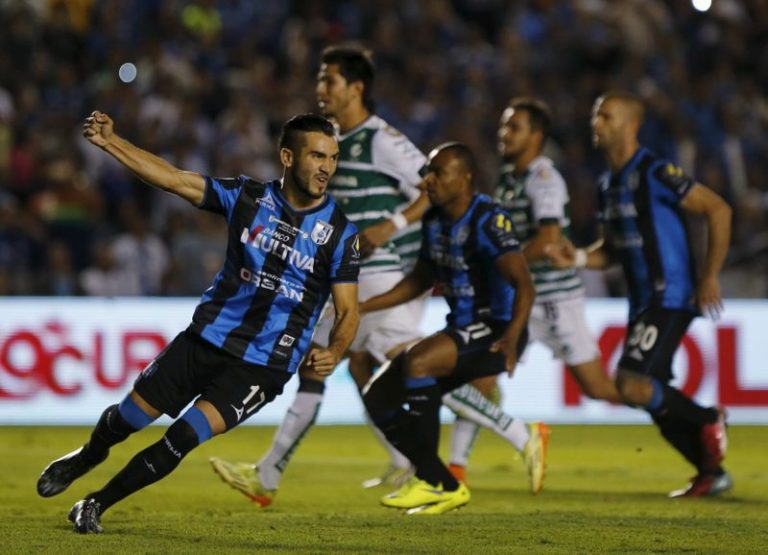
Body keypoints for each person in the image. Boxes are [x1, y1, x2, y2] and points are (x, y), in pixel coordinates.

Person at [209, 45, 518, 503]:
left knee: (394, 361)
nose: (320, 89)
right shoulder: (332, 139)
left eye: (328, 80)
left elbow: (435, 186)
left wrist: (391, 227)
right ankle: (281, 474)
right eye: (319, 80)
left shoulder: (383, 139)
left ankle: (513, 432)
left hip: (385, 268)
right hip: (349, 269)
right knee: (346, 366)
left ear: (357, 88)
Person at [35, 111, 360, 533]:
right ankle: (88, 455)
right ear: (286, 156)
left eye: (332, 158)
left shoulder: (339, 233)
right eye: (317, 156)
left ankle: (95, 503)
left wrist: (334, 351)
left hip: (264, 365)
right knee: (129, 418)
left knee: (183, 438)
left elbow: (350, 310)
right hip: (206, 339)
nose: (326, 168)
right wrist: (111, 142)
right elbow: (173, 179)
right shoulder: (247, 198)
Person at [546, 91, 732, 498]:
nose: (597, 124)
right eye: (596, 117)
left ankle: (708, 417)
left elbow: (717, 208)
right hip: (642, 302)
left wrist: (710, 276)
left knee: (631, 384)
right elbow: (610, 251)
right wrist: (574, 255)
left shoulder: (655, 170)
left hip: (672, 294)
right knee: (648, 396)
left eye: (606, 117)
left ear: (631, 125)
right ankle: (710, 472)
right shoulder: (608, 184)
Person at [443, 97, 622, 481]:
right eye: (504, 125)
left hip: (555, 299)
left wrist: (497, 266)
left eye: (514, 127)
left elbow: (547, 241)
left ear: (537, 136)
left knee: (598, 388)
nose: (503, 133)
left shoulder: (545, 180)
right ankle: (455, 468)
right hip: (518, 302)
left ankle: (683, 413)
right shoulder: (509, 178)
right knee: (478, 381)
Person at [359, 142, 538, 515]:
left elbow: (524, 283)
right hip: (462, 328)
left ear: (465, 179)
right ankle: (443, 483)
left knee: (419, 361)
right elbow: (419, 280)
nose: (428, 180)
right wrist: (362, 307)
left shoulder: (487, 218)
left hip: (497, 328)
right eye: (427, 170)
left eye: (438, 172)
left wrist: (510, 338)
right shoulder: (435, 220)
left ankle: (429, 482)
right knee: (378, 395)